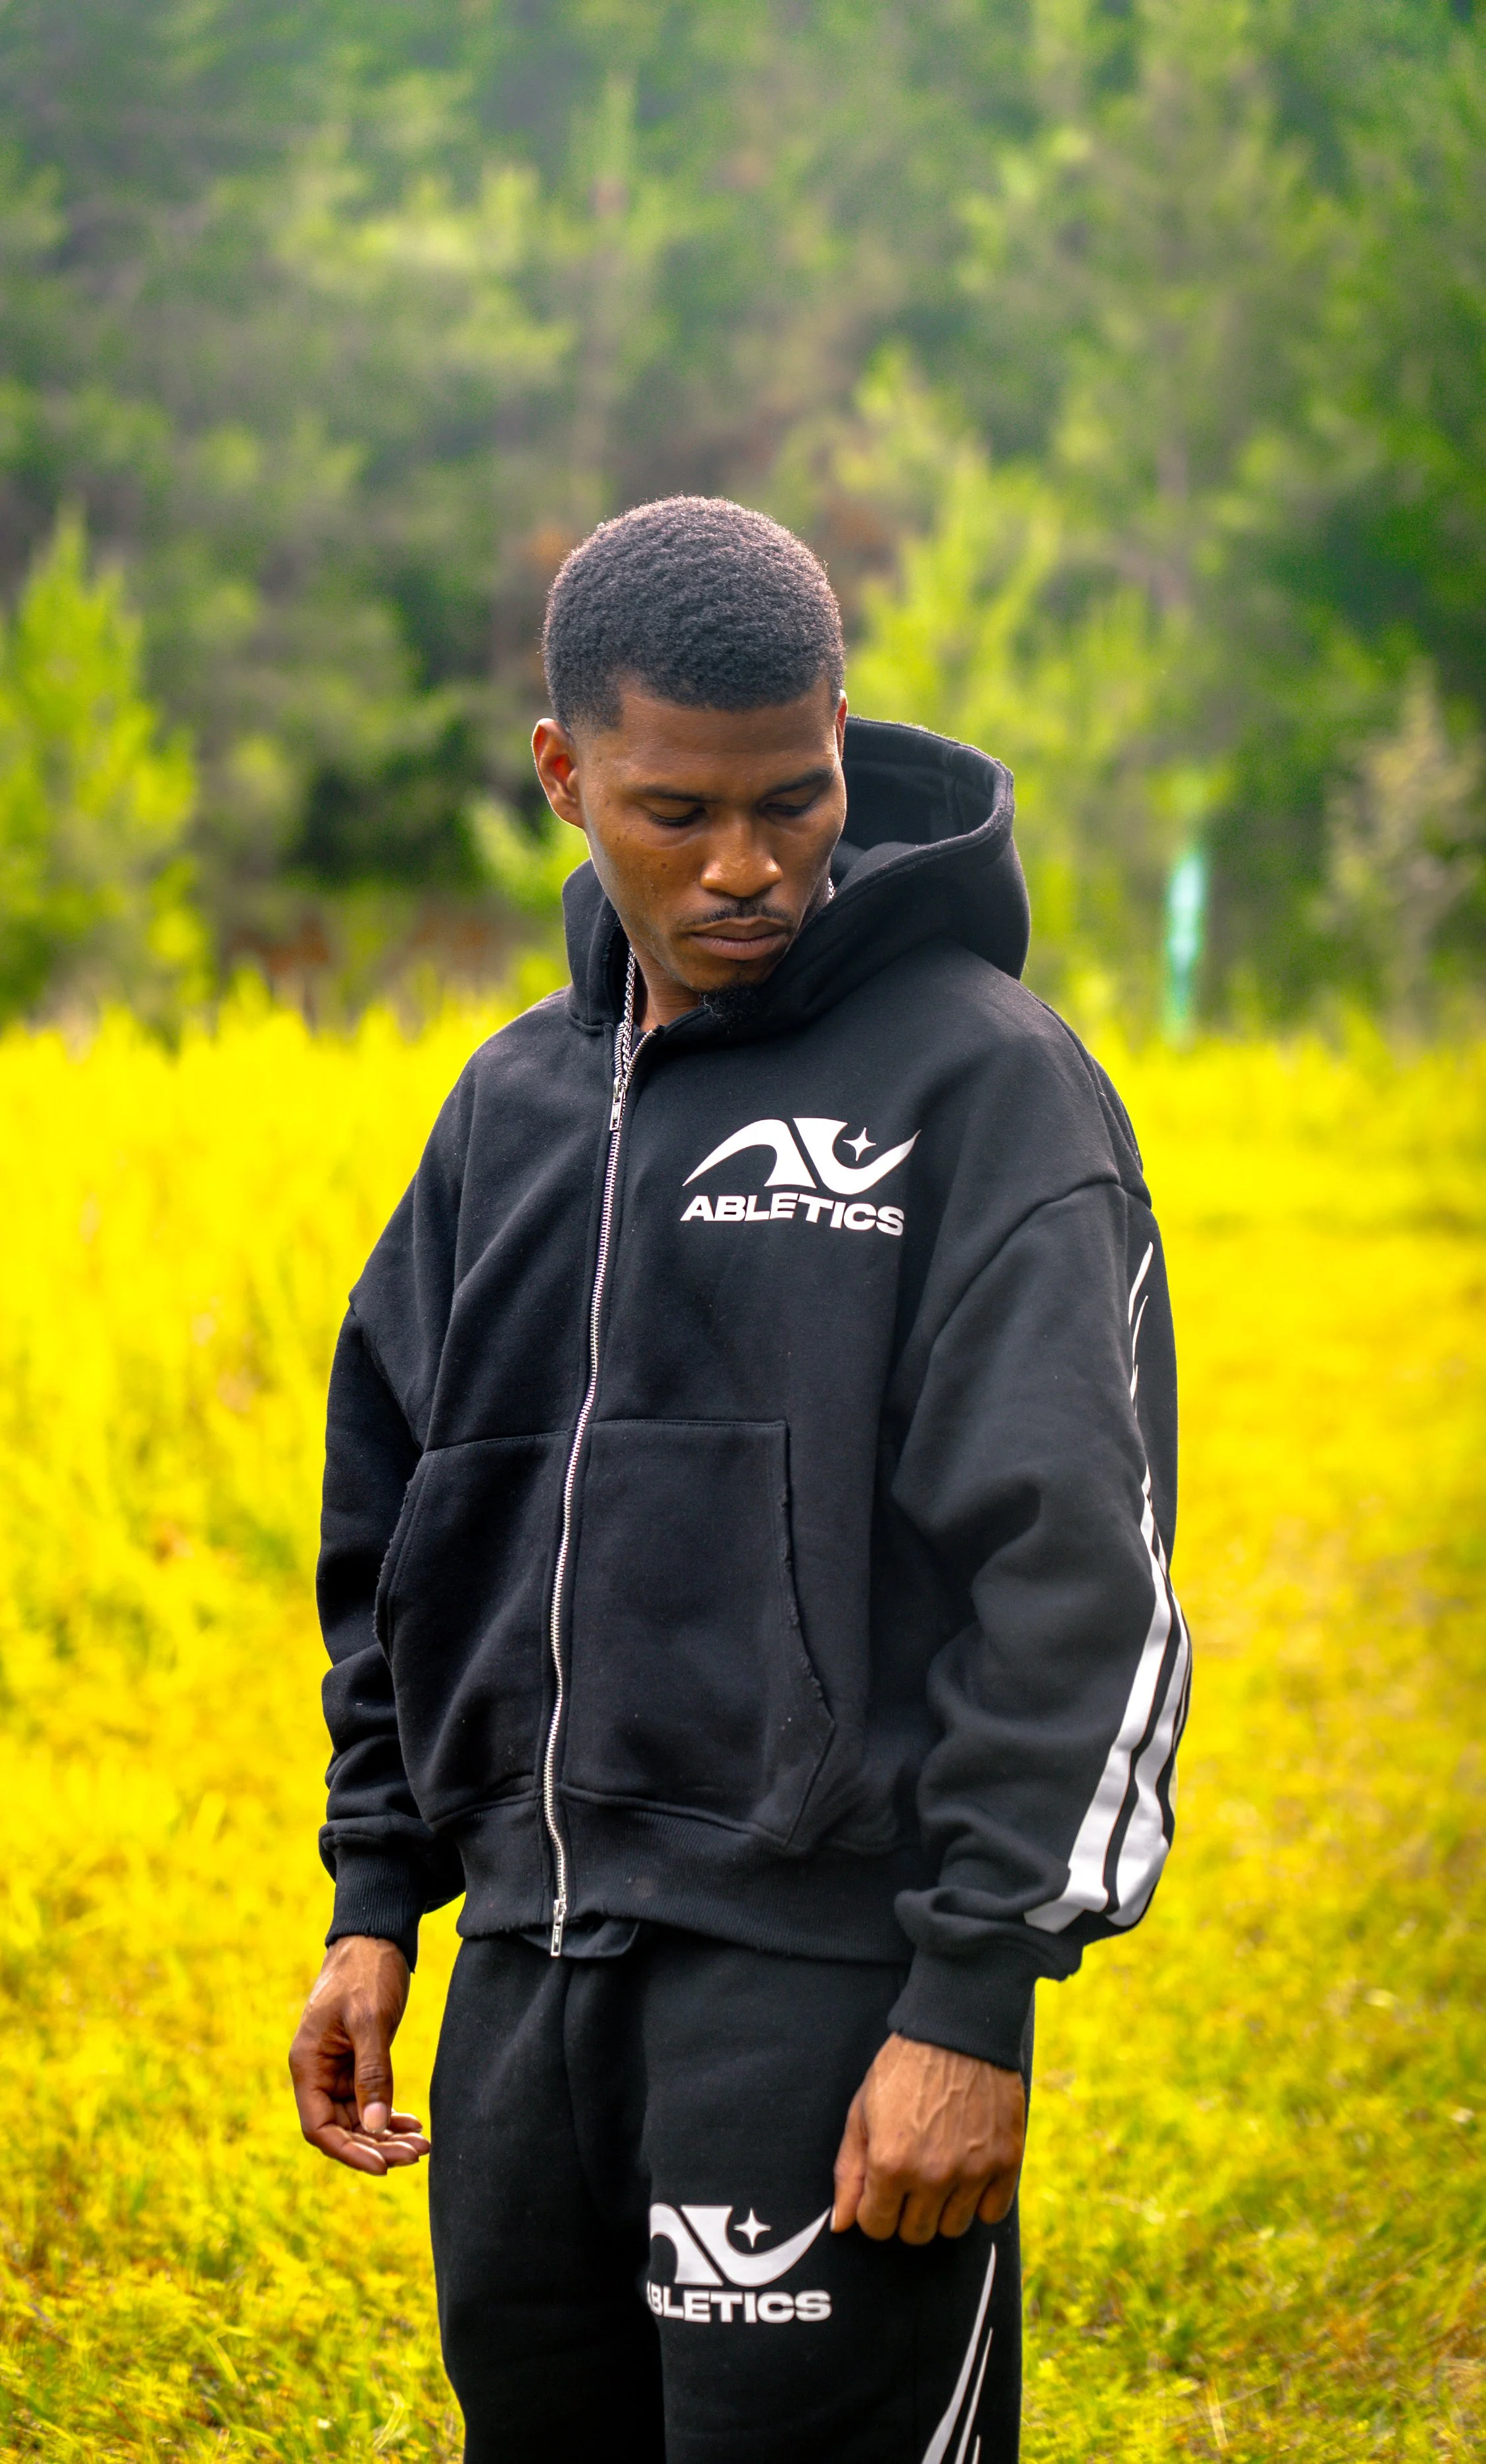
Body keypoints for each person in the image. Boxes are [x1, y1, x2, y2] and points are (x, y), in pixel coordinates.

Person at [289, 497, 1189, 2463]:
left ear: (843, 741)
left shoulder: (985, 1085)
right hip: (529, 1989)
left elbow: (1078, 1572)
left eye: (793, 798)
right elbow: (403, 1526)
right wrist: (380, 1890)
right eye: (675, 811)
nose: (750, 866)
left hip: (821, 1987)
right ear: (563, 775)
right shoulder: (510, 1109)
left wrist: (970, 2000)